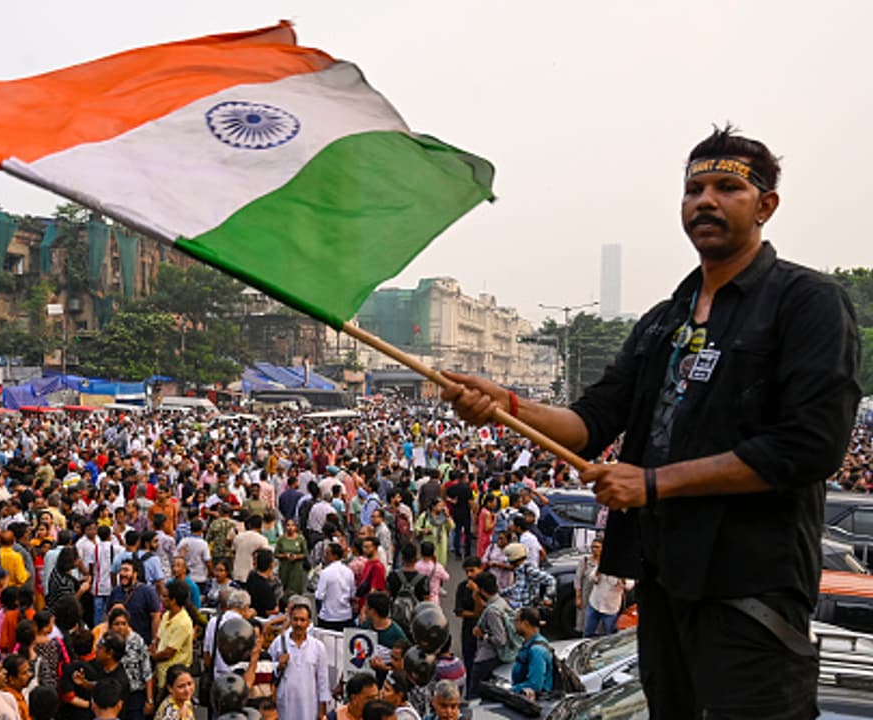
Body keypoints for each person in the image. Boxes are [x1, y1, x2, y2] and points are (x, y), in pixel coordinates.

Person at [439, 126, 861, 717]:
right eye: (693, 189)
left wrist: (655, 483)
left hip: (750, 589)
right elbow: (592, 420)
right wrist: (507, 406)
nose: (704, 201)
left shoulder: (807, 302)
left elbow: (809, 447)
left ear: (766, 205)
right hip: (664, 581)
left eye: (726, 188)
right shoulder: (666, 320)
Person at [269, 600, 329, 720]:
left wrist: (322, 711)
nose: (298, 624)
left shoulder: (318, 647)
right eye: (295, 619)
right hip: (285, 703)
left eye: (302, 620)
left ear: (309, 623)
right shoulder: (279, 643)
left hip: (309, 706)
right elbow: (268, 668)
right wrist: (278, 665)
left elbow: (323, 681)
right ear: (290, 620)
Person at [151, 581, 192, 690]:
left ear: (173, 600)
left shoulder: (183, 622)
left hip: (175, 680)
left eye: (165, 596)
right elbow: (158, 639)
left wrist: (152, 657)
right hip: (161, 673)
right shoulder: (166, 615)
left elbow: (169, 653)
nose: (161, 599)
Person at [508, 607, 553, 700]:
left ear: (526, 624)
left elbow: (535, 684)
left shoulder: (537, 651)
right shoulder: (530, 644)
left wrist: (511, 690)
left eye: (516, 621)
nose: (514, 624)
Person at [314, 543, 355, 631]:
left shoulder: (326, 572)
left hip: (328, 617)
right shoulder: (349, 571)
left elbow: (319, 595)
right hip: (345, 616)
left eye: (327, 553)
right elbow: (352, 593)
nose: (325, 556)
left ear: (335, 556)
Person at [275, 518, 309, 596]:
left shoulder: (300, 539)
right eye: (288, 525)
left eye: (292, 525)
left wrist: (296, 556)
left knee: (295, 591)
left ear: (296, 527)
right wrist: (284, 555)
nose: (290, 528)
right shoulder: (281, 539)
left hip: (296, 569)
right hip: (284, 568)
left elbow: (305, 554)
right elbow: (276, 554)